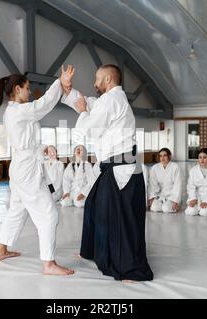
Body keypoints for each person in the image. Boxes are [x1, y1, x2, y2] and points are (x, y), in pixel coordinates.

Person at [62, 64, 153, 281]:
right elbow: (88, 103)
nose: (94, 83)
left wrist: (83, 110)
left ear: (109, 79)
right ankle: (93, 251)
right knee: (93, 205)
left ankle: (130, 268)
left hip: (121, 167)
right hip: (113, 165)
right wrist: (67, 89)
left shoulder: (112, 100)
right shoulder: (109, 100)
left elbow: (89, 127)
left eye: (97, 79)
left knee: (120, 219)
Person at [0, 65, 75, 275]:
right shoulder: (19, 111)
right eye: (27, 88)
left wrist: (43, 148)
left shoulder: (14, 112)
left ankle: (2, 250)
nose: (30, 92)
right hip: (27, 171)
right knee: (49, 214)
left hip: (21, 166)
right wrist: (59, 83)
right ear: (17, 89)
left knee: (17, 210)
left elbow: (28, 142)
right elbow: (43, 104)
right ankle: (48, 264)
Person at [148, 148, 182, 213]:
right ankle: (163, 204)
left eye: (165, 155)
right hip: (160, 195)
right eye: (160, 156)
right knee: (154, 208)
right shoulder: (155, 168)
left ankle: (173, 205)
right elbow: (152, 184)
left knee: (166, 208)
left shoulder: (175, 167)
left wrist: (175, 201)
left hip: (172, 196)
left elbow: (178, 185)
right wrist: (152, 197)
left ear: (169, 156)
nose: (162, 158)